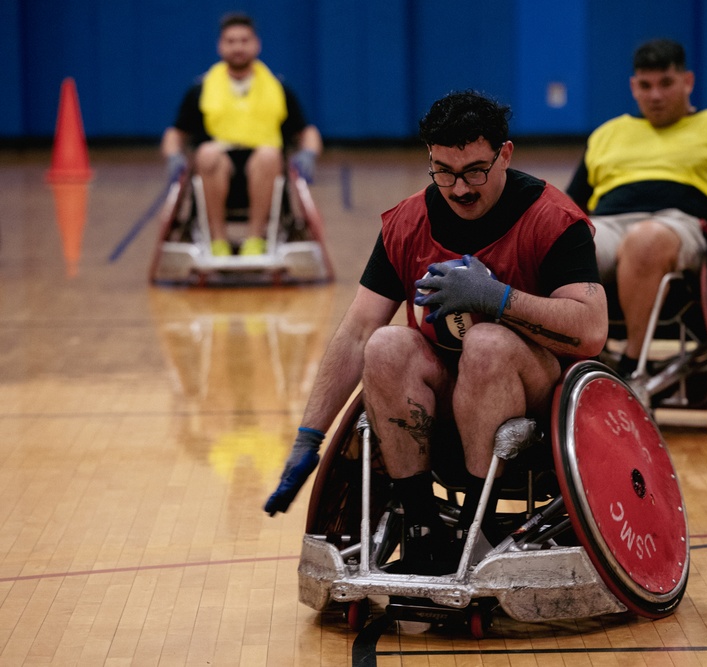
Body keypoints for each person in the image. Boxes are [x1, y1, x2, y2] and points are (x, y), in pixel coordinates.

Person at [263, 90, 607, 574]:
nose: (460, 188)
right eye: (443, 171)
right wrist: (308, 438)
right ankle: (424, 530)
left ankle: (476, 528)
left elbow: (591, 331)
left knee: (486, 344)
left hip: (537, 401)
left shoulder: (552, 217)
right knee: (385, 345)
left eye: (474, 171)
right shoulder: (408, 221)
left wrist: (496, 299)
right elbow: (359, 330)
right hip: (447, 394)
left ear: (505, 154)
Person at [565, 38, 707, 383]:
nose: (656, 96)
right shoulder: (607, 133)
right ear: (633, 87)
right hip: (608, 224)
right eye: (645, 86)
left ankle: (632, 367)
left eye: (666, 84)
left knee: (645, 240)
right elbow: (569, 206)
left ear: (687, 81)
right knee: (565, 245)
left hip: (682, 225)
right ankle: (584, 359)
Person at [160, 12, 322, 257]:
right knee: (207, 153)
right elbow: (176, 133)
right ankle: (218, 241)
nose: (238, 47)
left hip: (265, 171)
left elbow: (306, 131)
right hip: (215, 170)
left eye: (244, 41)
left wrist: (309, 153)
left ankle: (255, 241)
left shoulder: (278, 88)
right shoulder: (200, 89)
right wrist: (173, 156)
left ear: (256, 44)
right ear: (220, 46)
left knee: (269, 155)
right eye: (231, 41)